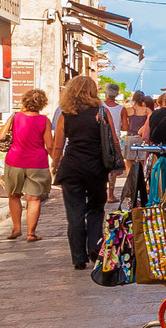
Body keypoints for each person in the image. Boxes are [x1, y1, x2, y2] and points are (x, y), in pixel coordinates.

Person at [52, 72, 122, 270]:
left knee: (74, 212)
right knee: (95, 208)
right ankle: (94, 247)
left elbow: (59, 144)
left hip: (72, 167)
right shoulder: (101, 111)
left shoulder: (65, 113)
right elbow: (113, 139)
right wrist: (117, 163)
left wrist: (55, 164)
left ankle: (78, 257)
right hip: (95, 167)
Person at [0, 88, 52, 241]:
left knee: (14, 195)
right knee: (34, 198)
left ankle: (16, 229)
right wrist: (56, 160)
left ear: (24, 101)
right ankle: (31, 233)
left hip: (15, 161)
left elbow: (0, 136)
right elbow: (49, 144)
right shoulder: (44, 120)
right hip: (37, 162)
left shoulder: (15, 117)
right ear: (42, 104)